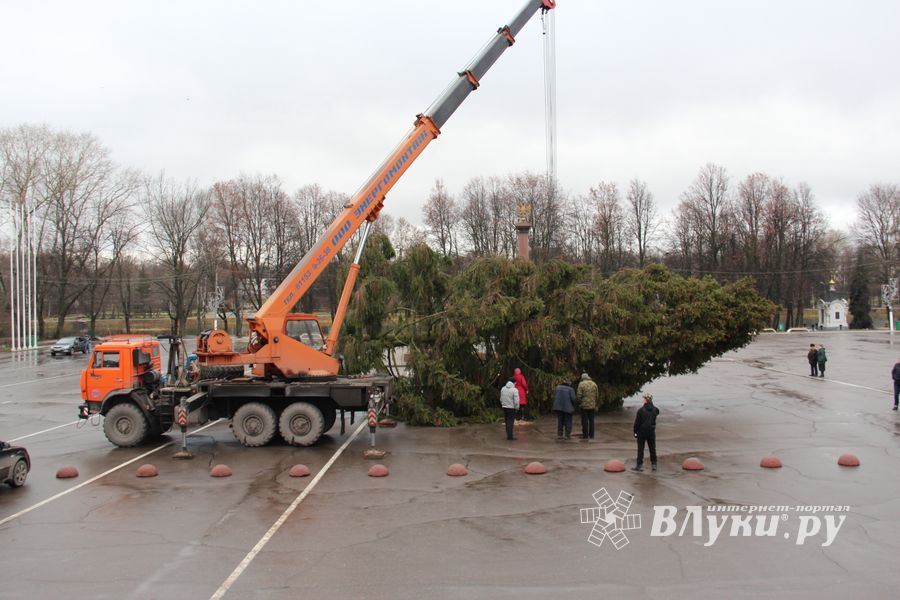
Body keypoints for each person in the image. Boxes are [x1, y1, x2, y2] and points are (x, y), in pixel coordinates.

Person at [632, 393, 660, 472]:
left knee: (640, 449)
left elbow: (637, 423)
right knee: (652, 448)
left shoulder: (641, 410)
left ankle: (639, 465)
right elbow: (656, 413)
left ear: (645, 400)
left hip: (642, 432)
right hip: (651, 432)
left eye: (644, 398)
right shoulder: (656, 410)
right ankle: (654, 464)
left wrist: (635, 432)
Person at [576, 372, 598, 440]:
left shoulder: (581, 384)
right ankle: (591, 435)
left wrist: (579, 403)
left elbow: (579, 395)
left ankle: (585, 435)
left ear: (582, 378)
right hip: (592, 405)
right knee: (591, 421)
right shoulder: (594, 384)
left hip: (584, 406)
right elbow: (597, 395)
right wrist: (595, 403)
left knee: (584, 421)